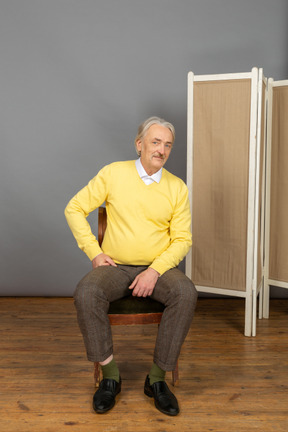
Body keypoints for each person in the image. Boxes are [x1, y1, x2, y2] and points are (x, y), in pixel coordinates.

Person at [65, 116, 198, 416]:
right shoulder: (113, 174)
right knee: (86, 293)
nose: (161, 150)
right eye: (155, 142)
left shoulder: (177, 188)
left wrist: (154, 270)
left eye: (167, 145)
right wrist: (94, 252)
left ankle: (157, 379)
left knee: (186, 293)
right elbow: (73, 208)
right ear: (139, 144)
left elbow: (182, 240)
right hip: (116, 267)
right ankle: (111, 376)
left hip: (159, 269)